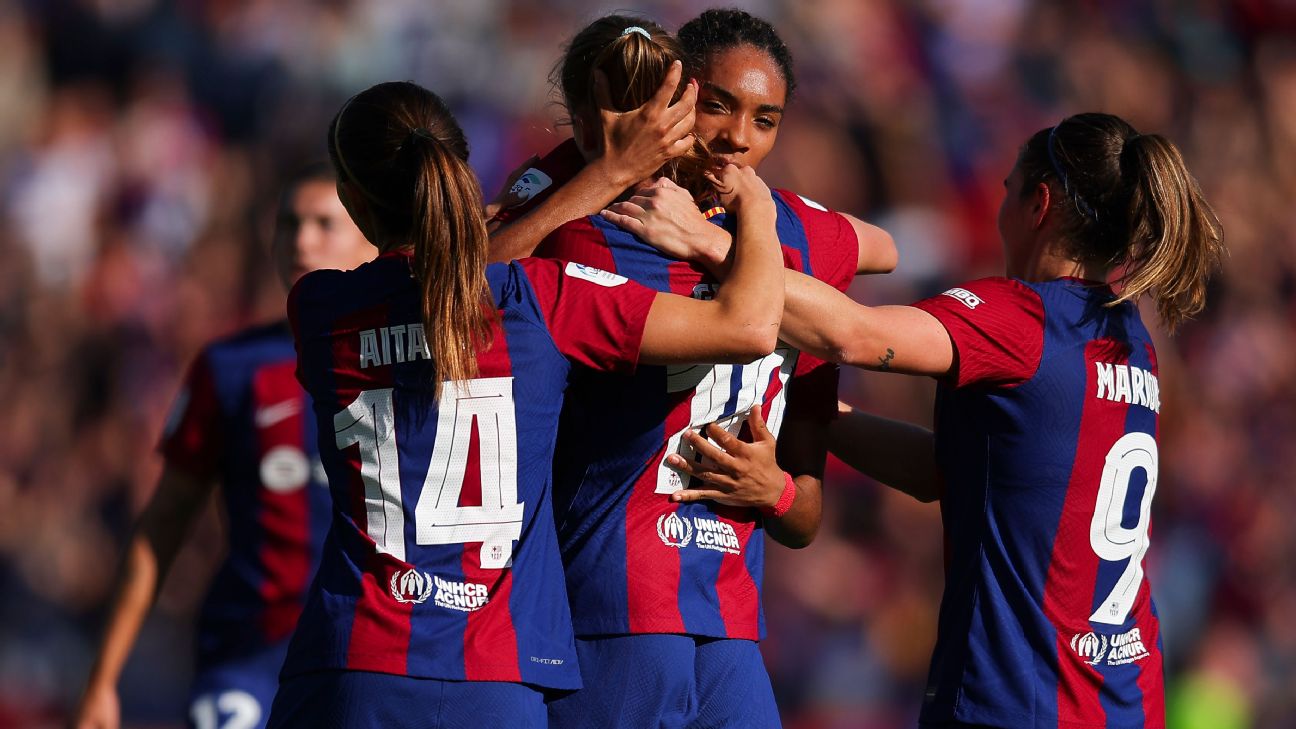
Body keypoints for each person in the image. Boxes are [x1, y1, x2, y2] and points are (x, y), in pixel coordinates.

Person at [651, 113, 1224, 728]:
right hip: (1128, 698)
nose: (1000, 210)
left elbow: (854, 335)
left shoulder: (1022, 319)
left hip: (1025, 697)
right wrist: (812, 409)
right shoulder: (1129, 339)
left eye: (1007, 190)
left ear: (1041, 203)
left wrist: (712, 244)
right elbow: (947, 470)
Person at [264, 80, 784, 728]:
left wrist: (591, 180)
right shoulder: (542, 298)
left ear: (351, 199)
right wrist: (757, 206)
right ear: (460, 174)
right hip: (496, 681)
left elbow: (440, 293)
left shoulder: (318, 307)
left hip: (351, 667)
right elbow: (752, 326)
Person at [519, 16, 881, 729]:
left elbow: (804, 508)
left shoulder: (806, 239)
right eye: (718, 105)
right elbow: (470, 289)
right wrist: (574, 172)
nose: (740, 138)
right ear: (674, 99)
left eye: (767, 118)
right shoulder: (597, 233)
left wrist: (774, 490)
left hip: (731, 629)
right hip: (611, 609)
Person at [72, 165, 377, 729]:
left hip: (368, 658)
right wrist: (103, 679)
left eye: (323, 224)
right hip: (249, 655)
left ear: (372, 238)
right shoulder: (232, 369)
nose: (301, 240)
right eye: (289, 223)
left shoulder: (412, 361)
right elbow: (163, 524)